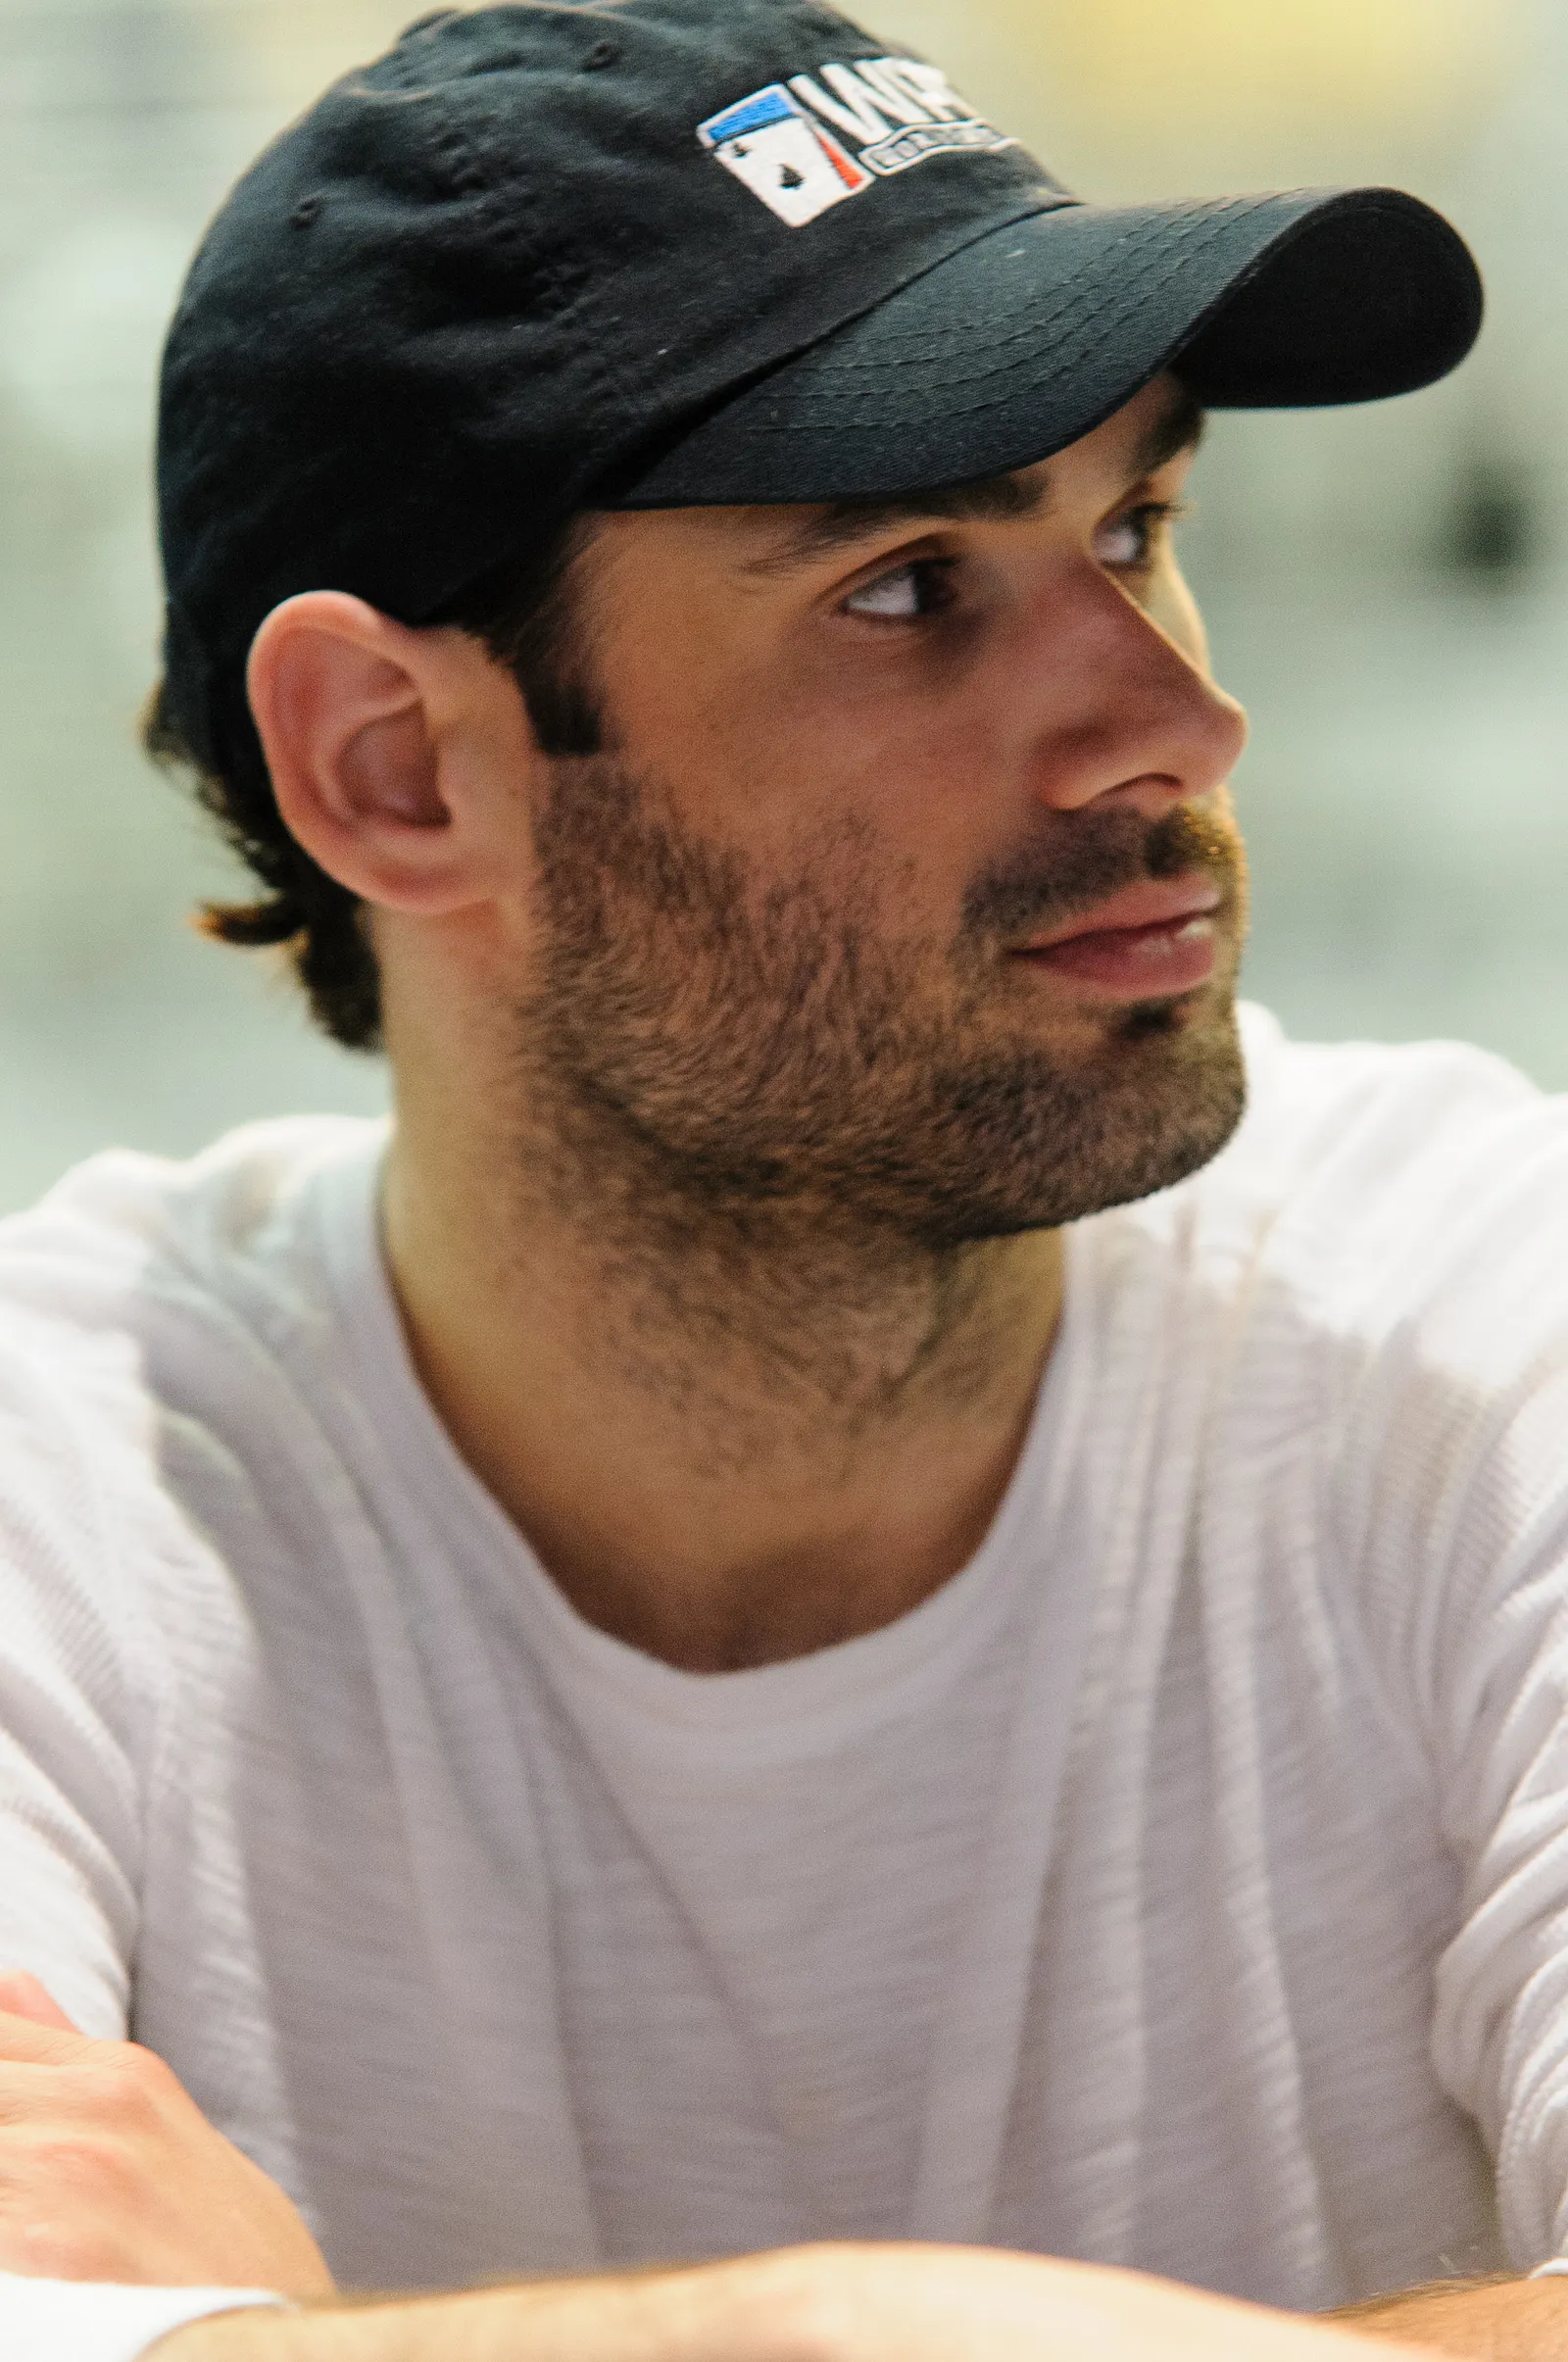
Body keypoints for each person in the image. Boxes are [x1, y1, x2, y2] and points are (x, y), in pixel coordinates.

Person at [0, 0, 1562, 2355]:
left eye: (1133, 526)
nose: (1175, 719)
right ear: (399, 768)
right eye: (909, 588)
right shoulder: (70, 1478)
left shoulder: (1481, 1319)